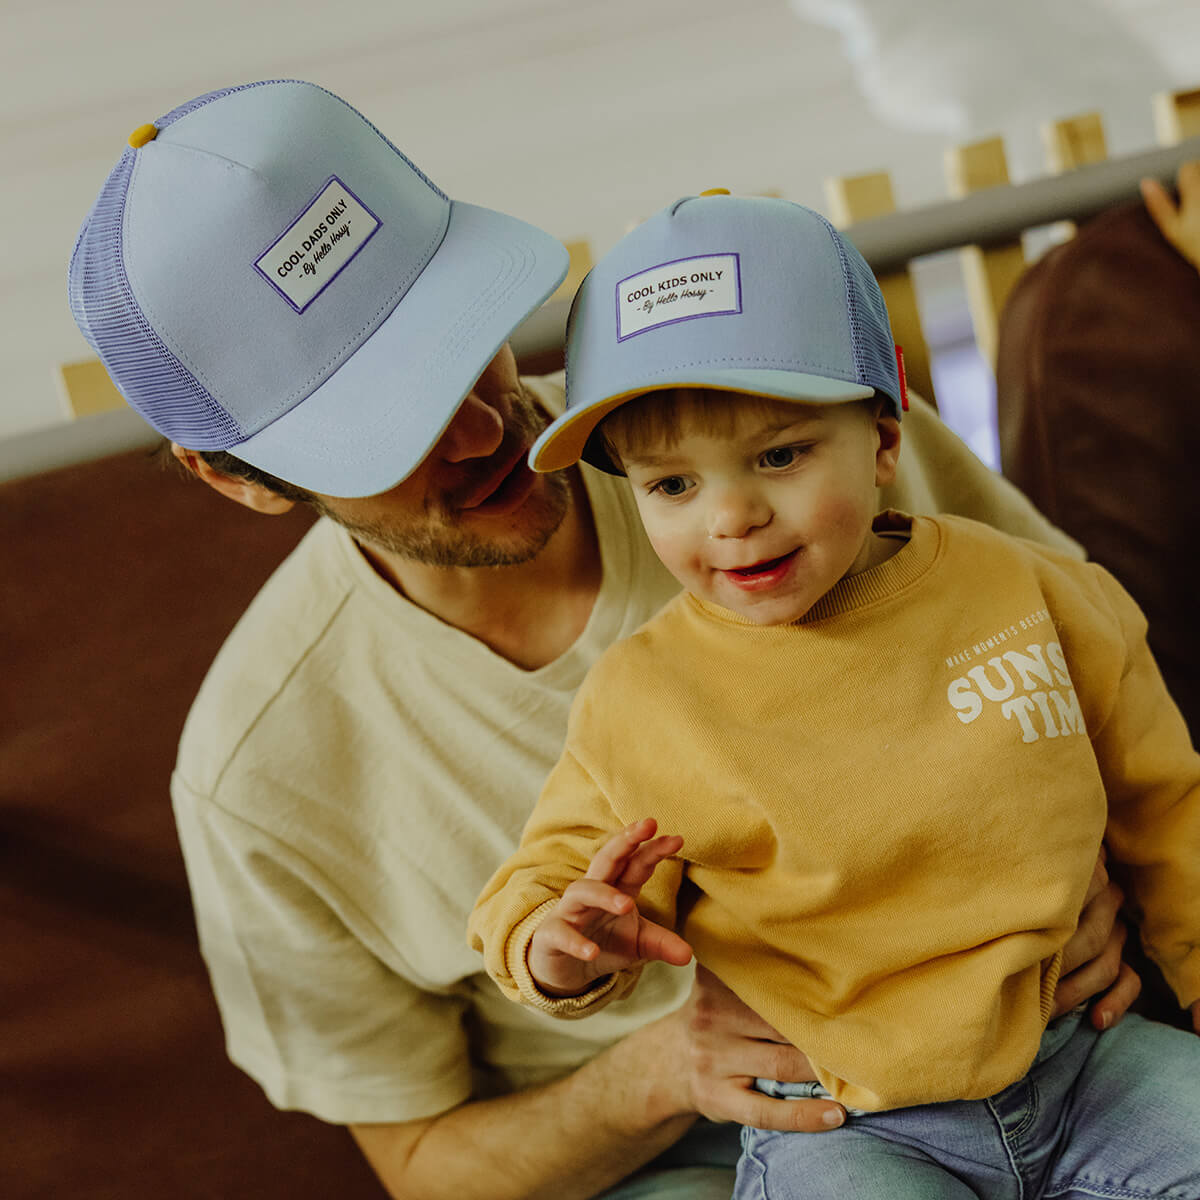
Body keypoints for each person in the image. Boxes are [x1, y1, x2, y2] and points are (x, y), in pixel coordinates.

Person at [67, 80, 1137, 1200]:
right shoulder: (258, 777)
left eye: (454, 342)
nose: (480, 430)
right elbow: (423, 1165)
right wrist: (663, 1072)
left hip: (1042, 1038)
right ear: (234, 478)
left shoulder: (792, 427)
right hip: (676, 1157)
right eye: (382, 424)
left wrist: (1099, 879)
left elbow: (1102, 680)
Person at [468, 192, 1200, 1198]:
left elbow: (1168, 803)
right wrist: (554, 945)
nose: (733, 516)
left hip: (1087, 1062)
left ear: (886, 441)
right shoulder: (643, 700)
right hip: (846, 1120)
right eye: (672, 485)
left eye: (779, 455)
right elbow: (551, 873)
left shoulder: (1033, 592)